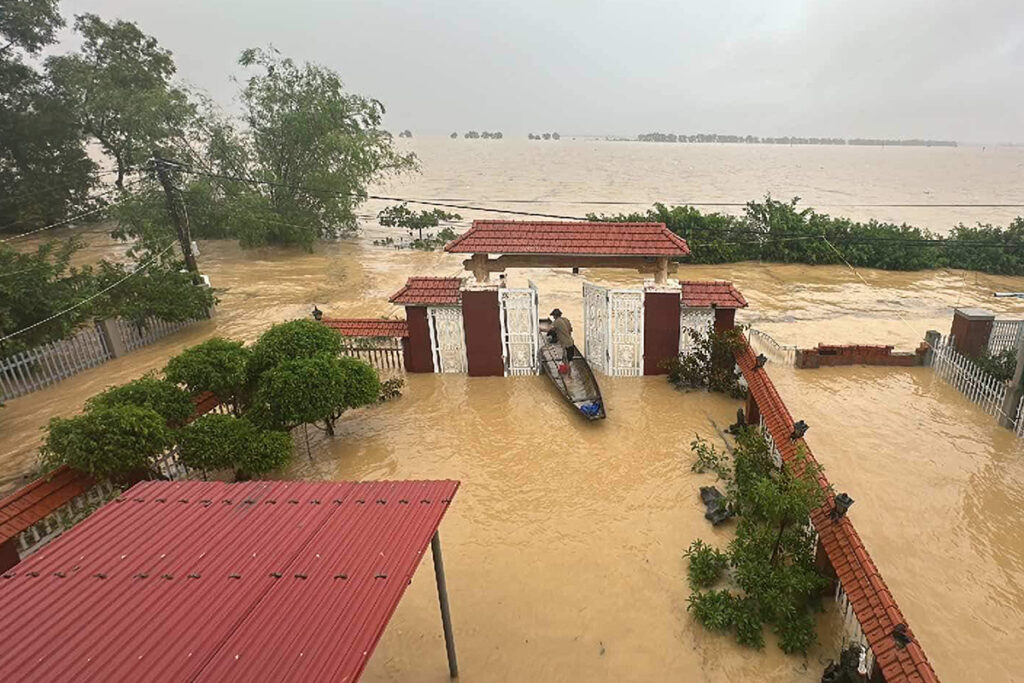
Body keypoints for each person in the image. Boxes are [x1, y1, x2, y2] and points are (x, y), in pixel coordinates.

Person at [550, 309, 577, 376]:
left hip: (565, 344)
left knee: (566, 360)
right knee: (570, 359)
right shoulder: (566, 320)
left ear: (555, 316)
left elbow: (549, 329)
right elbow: (571, 329)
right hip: (571, 342)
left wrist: (540, 329)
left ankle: (569, 375)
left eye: (553, 316)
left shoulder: (557, 321)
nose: (553, 317)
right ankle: (569, 374)